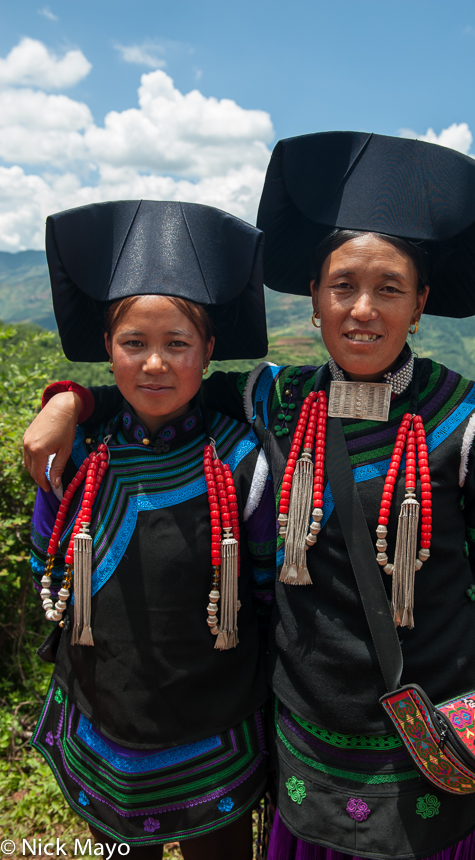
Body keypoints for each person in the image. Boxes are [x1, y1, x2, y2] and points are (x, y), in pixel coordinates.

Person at [24, 135, 475, 860]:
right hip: (309, 728)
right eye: (342, 287)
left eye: (389, 288)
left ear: (421, 302)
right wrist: (69, 401)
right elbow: (159, 392)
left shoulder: (470, 417)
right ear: (313, 301)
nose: (363, 310)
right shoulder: (277, 398)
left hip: (435, 727)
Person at [28, 200, 276, 860]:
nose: (155, 365)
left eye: (177, 345)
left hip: (215, 730)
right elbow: (46, 561)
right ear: (107, 349)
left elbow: (268, 594)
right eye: (133, 344)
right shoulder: (80, 456)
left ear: (209, 350)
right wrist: (68, 402)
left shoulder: (241, 461)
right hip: (104, 716)